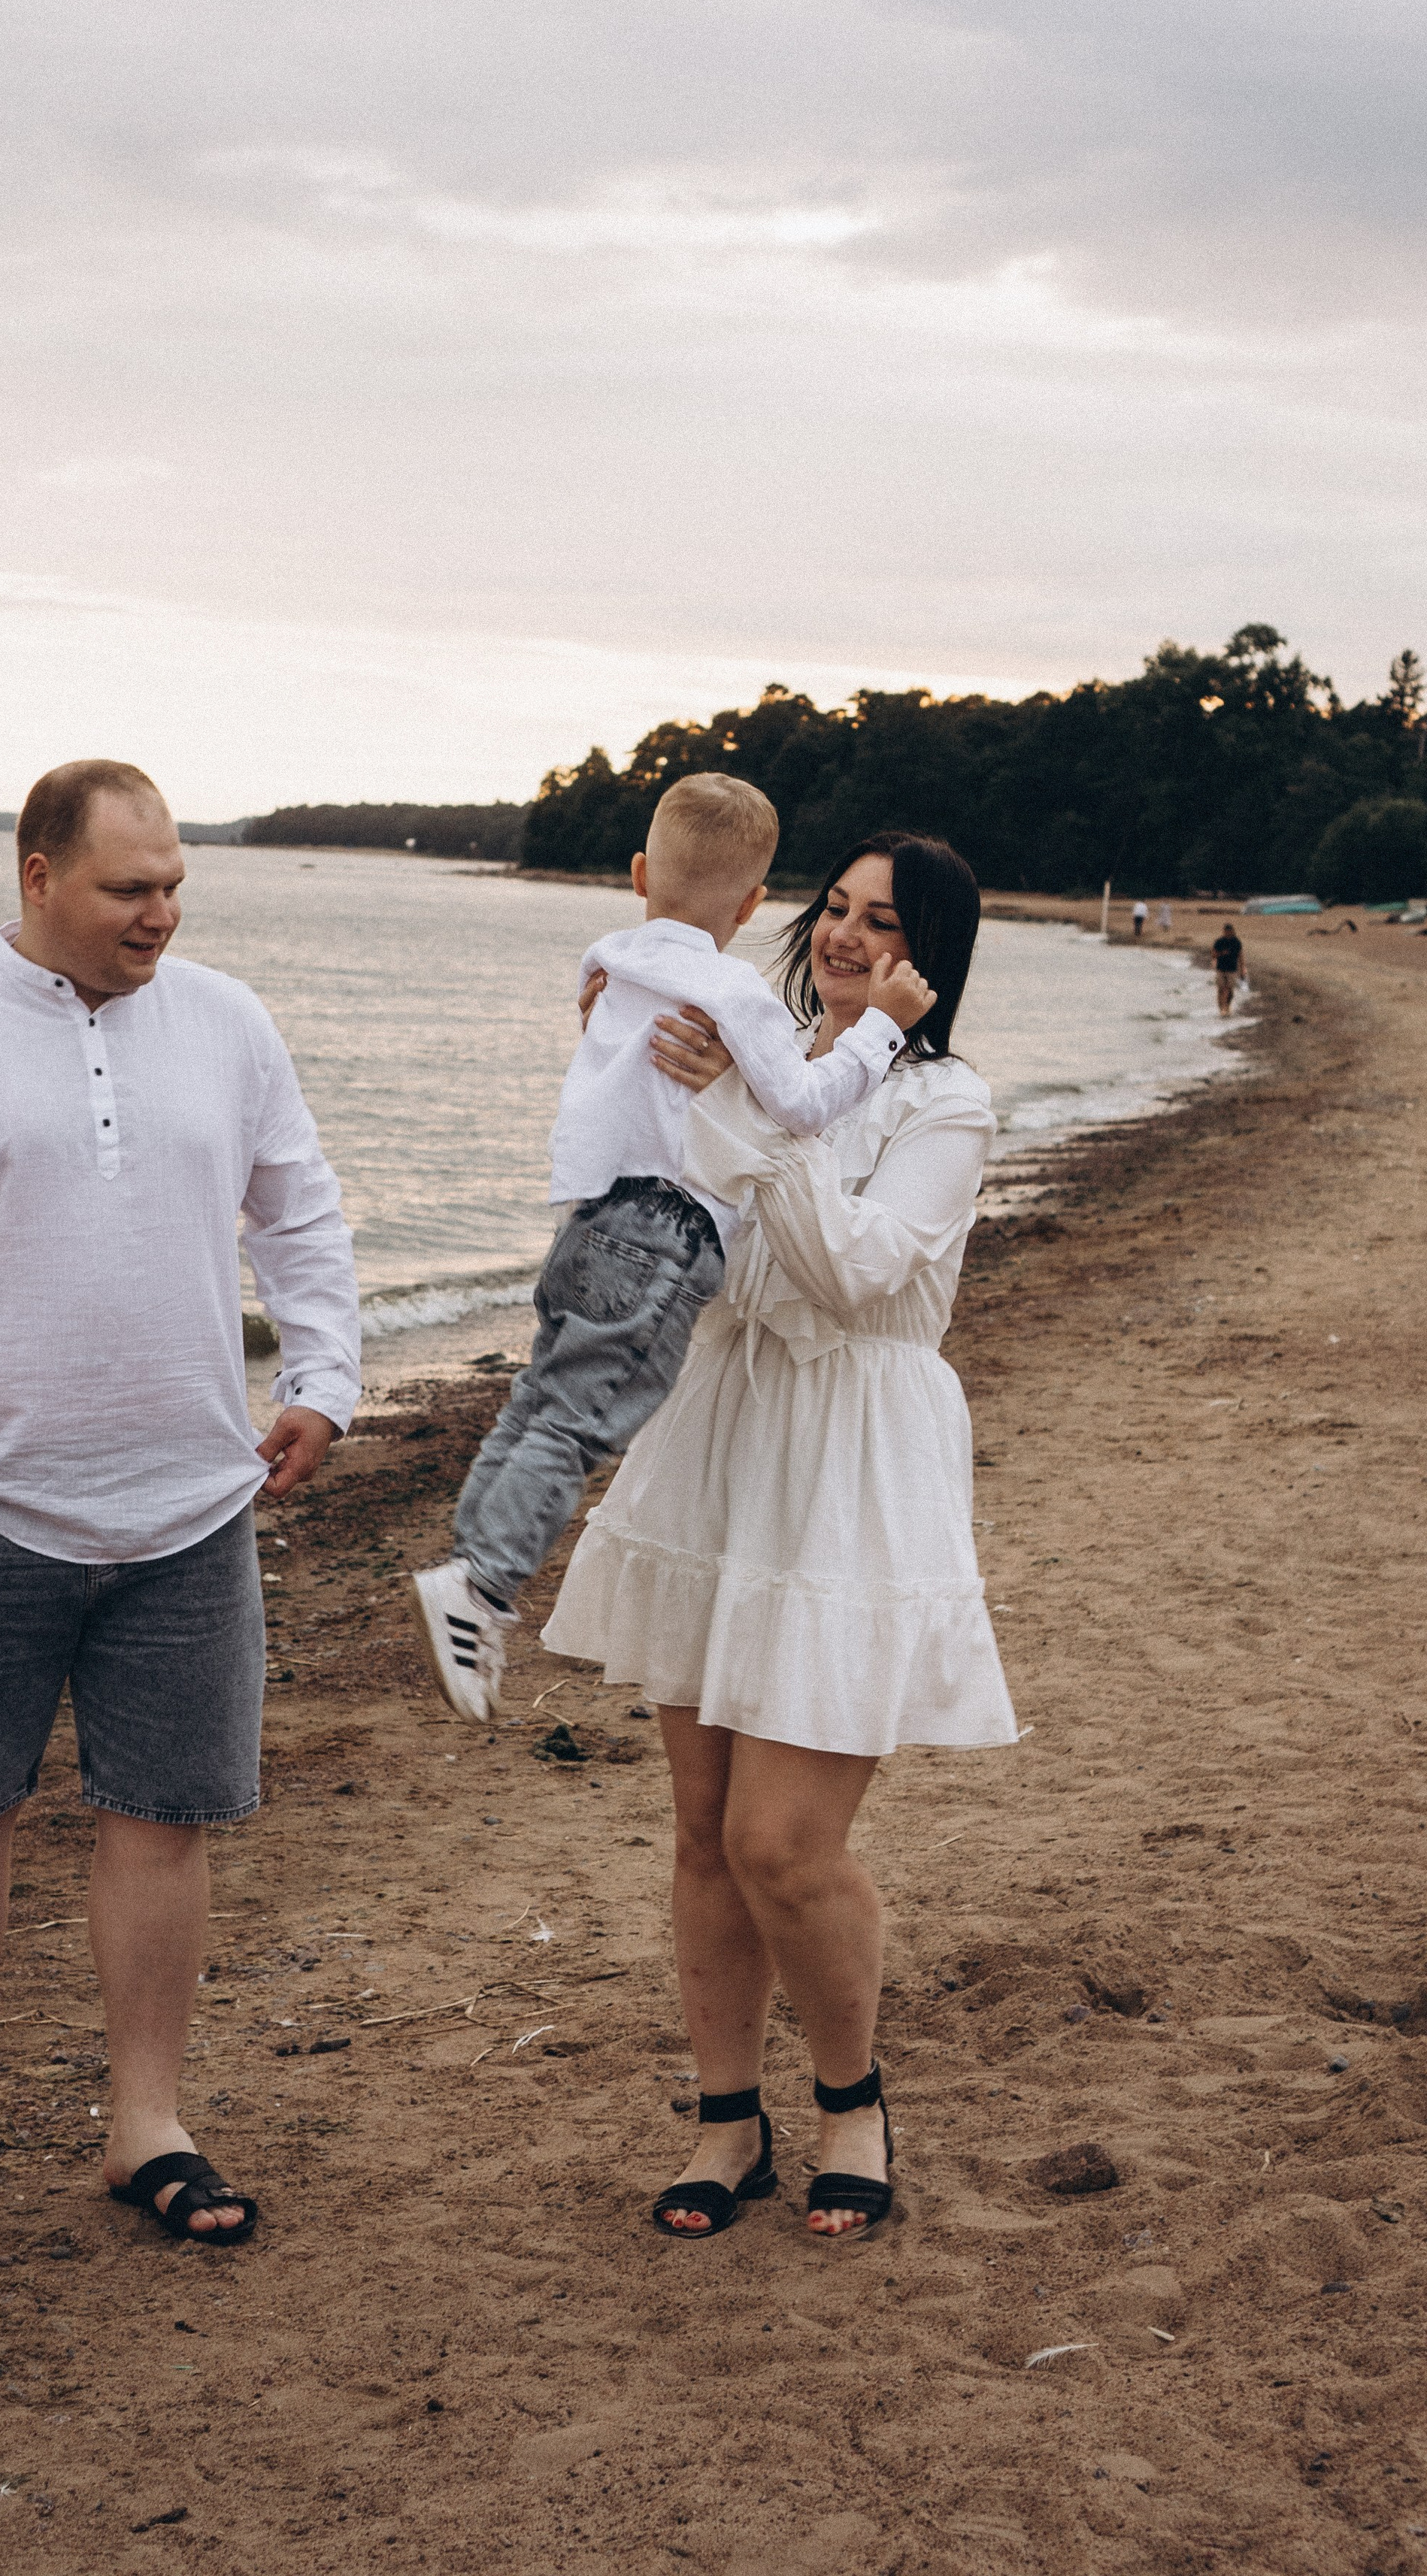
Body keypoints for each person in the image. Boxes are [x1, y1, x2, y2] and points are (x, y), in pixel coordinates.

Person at [0, 761, 359, 2260]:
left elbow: (296, 1209)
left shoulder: (227, 1025)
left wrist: (325, 1378)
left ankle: (147, 2128)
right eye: (130, 888)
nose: (160, 914)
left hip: (190, 1502)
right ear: (38, 874)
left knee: (162, 1823)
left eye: (174, 884)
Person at [544, 831, 1017, 2242]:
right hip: (727, 1440)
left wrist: (754, 1122)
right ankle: (725, 2119)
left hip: (855, 1462)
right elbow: (678, 1247)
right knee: (701, 1832)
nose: (846, 938)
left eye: (885, 924)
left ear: (931, 956)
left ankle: (851, 2099)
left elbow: (858, 1269)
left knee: (784, 1843)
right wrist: (628, 1065)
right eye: (837, 911)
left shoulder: (949, 1104)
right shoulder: (749, 1054)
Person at [407, 773, 931, 1726]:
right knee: (575, 1423)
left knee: (539, 1399)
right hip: (662, 1233)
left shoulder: (607, 956)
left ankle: (468, 1562)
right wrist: (883, 1033)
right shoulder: (737, 992)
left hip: (586, 1221)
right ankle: (479, 1590)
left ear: (640, 872)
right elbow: (804, 1105)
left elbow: (609, 1029)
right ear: (753, 905)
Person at [1211, 921, 1244, 1013]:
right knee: (1221, 989)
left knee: (1230, 990)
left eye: (1230, 931)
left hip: (1232, 969)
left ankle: (1228, 1006)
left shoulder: (1236, 942)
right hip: (1221, 968)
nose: (1228, 933)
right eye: (1226, 931)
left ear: (1233, 931)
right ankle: (1222, 1008)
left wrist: (1242, 970)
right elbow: (1213, 955)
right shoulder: (1219, 941)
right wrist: (1222, 953)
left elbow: (1240, 956)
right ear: (1224, 931)